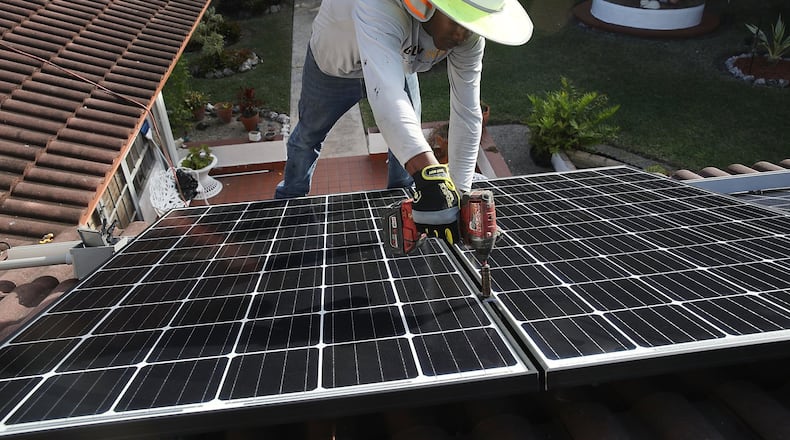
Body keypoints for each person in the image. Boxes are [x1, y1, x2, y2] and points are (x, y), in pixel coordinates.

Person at [275, 0, 532, 243]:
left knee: (409, 138)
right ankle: (290, 200)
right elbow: (386, 94)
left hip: (396, 62)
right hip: (334, 68)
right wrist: (430, 174)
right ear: (427, 4)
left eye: (472, 23)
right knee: (308, 135)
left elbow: (467, 111)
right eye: (458, 20)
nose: (462, 34)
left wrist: (460, 195)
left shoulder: (468, 37)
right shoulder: (378, 6)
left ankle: (404, 198)